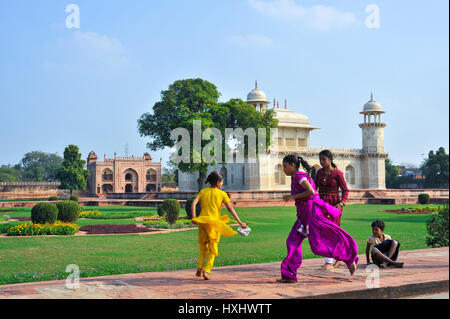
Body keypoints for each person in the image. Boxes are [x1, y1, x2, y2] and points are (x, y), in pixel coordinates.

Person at [277, 155, 358, 283]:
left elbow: (311, 192)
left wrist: (293, 196)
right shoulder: (298, 176)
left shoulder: (299, 176)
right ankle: (289, 275)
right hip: (304, 215)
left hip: (311, 214)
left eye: (285, 166)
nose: (284, 169)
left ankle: (348, 257)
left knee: (317, 245)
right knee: (292, 241)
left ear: (292, 165)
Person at [191, 171, 247, 280]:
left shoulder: (203, 191)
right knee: (212, 248)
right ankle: (206, 271)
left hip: (203, 222)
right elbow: (230, 209)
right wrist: (240, 222)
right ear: (218, 182)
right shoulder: (222, 194)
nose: (222, 183)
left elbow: (194, 203)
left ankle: (199, 269)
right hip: (214, 224)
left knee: (203, 248)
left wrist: (194, 217)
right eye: (222, 182)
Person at [315, 150, 349, 270]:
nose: (321, 162)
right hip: (321, 204)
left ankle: (329, 262)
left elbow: (345, 190)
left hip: (334, 206)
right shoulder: (319, 172)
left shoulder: (337, 174)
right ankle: (339, 258)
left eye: (324, 159)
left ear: (330, 159)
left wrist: (342, 203)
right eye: (320, 159)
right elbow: (314, 188)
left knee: (331, 231)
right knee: (323, 231)